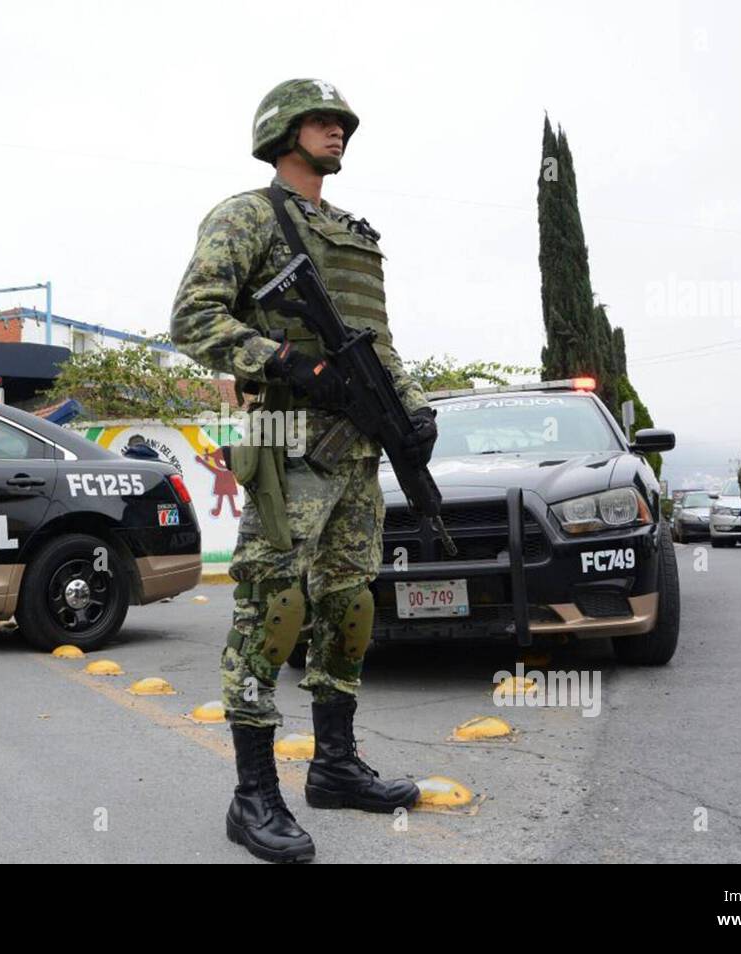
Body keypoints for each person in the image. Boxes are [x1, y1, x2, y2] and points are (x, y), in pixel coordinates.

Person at [170, 78, 437, 863]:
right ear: (283, 130)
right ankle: (252, 794)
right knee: (273, 604)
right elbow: (193, 318)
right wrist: (286, 361)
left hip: (356, 446)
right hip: (288, 436)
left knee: (350, 602)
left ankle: (336, 765)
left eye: (343, 122)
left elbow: (377, 342)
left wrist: (413, 406)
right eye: (323, 121)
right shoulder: (246, 215)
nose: (339, 131)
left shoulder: (352, 232)